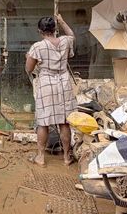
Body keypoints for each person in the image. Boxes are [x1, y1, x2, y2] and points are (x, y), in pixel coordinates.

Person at [25, 14, 77, 167]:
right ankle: (66, 157)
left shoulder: (37, 47)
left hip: (46, 84)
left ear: (40, 31)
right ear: (55, 29)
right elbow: (71, 35)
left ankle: (41, 157)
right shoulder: (66, 41)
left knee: (43, 122)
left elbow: (29, 69)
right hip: (64, 83)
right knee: (64, 122)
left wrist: (28, 57)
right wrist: (62, 21)